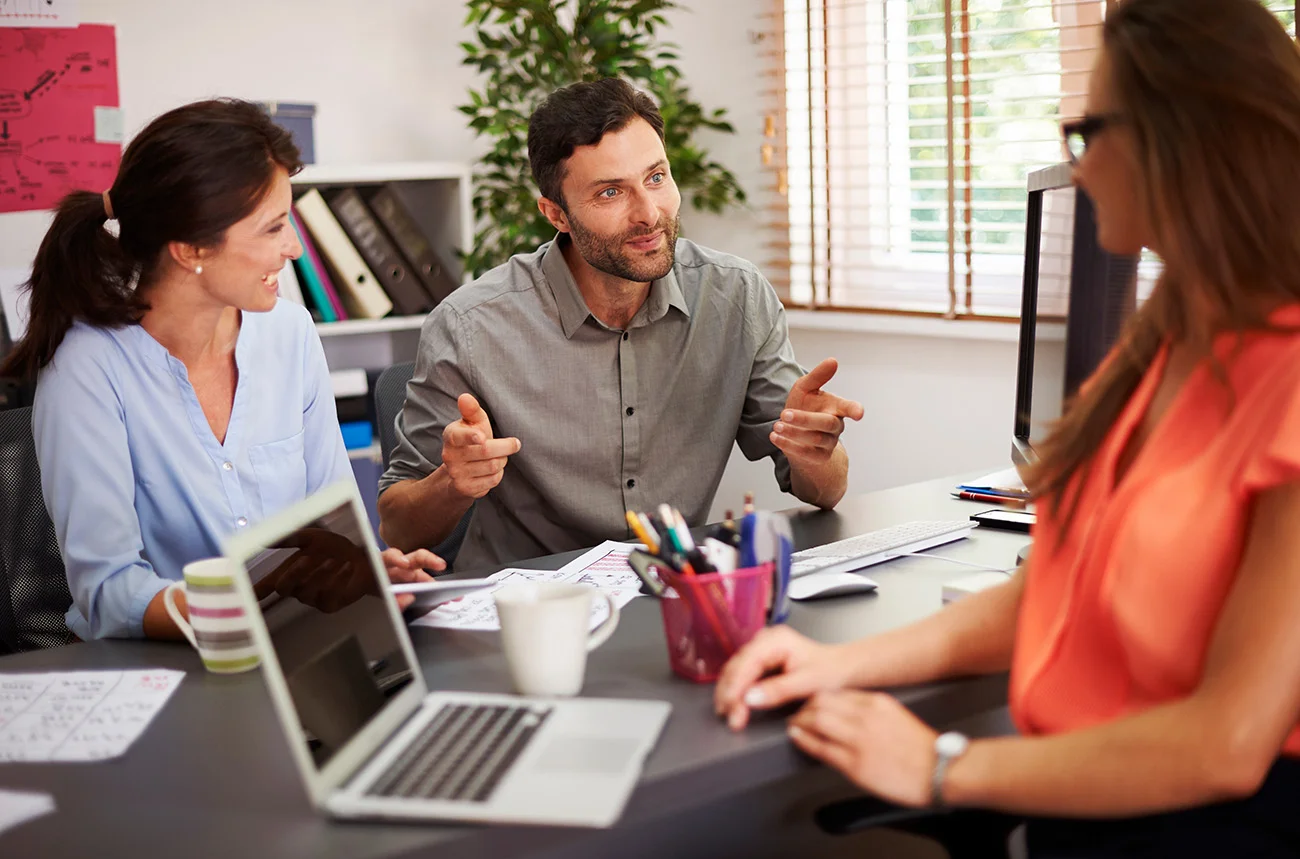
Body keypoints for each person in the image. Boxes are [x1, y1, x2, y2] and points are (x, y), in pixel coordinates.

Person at [714, 0, 1300, 854]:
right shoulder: (1164, 346)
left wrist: (943, 767)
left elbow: (1228, 741)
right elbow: (1045, 596)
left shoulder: (1284, 380)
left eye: (1090, 132)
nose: (1080, 164)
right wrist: (837, 662)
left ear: (1186, 136)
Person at [378, 78, 864, 570]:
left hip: (674, 592)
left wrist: (814, 450)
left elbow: (827, 492)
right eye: (611, 192)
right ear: (556, 214)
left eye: (656, 178)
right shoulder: (469, 327)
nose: (649, 214)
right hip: (535, 611)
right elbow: (397, 527)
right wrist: (451, 483)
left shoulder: (736, 297)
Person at [0, 99, 440, 641]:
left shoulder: (289, 331)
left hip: (303, 644)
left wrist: (362, 572)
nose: (295, 249)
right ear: (190, 249)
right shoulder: (87, 368)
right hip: (173, 666)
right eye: (273, 228)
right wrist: (251, 607)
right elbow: (110, 594)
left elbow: (333, 519)